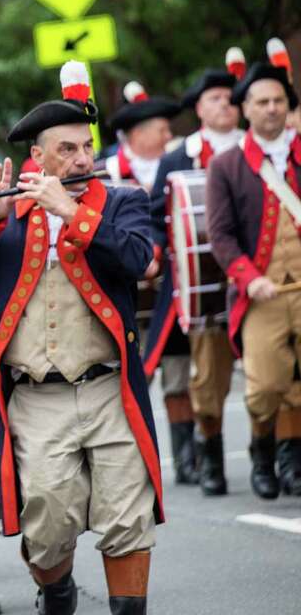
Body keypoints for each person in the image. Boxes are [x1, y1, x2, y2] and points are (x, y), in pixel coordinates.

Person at [0, 62, 163, 615]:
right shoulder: (6, 212)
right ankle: (57, 590)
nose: (82, 160)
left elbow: (140, 260)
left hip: (111, 390)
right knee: (47, 520)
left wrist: (73, 212)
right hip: (37, 397)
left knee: (126, 519)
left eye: (86, 148)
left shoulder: (122, 201)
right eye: (66, 150)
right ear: (35, 159)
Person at [143, 53, 245, 495]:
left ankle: (280, 455)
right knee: (199, 376)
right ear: (199, 108)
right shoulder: (177, 158)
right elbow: (153, 216)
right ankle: (205, 455)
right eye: (215, 98)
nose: (225, 104)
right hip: (197, 285)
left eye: (230, 97)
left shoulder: (256, 149)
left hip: (255, 277)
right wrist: (154, 250)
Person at [206, 51, 301, 499]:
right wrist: (248, 277)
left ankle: (292, 458)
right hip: (262, 293)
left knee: (299, 386)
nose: (271, 109)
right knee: (264, 386)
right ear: (245, 108)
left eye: (278, 100)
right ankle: (262, 450)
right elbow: (221, 236)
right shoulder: (226, 166)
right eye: (261, 102)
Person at [105, 81, 195, 486]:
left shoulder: (177, 165)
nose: (167, 135)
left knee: (178, 375)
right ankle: (133, 462)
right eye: (160, 129)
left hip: (167, 294)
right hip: (120, 297)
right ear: (138, 135)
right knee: (126, 386)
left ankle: (188, 457)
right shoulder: (105, 171)